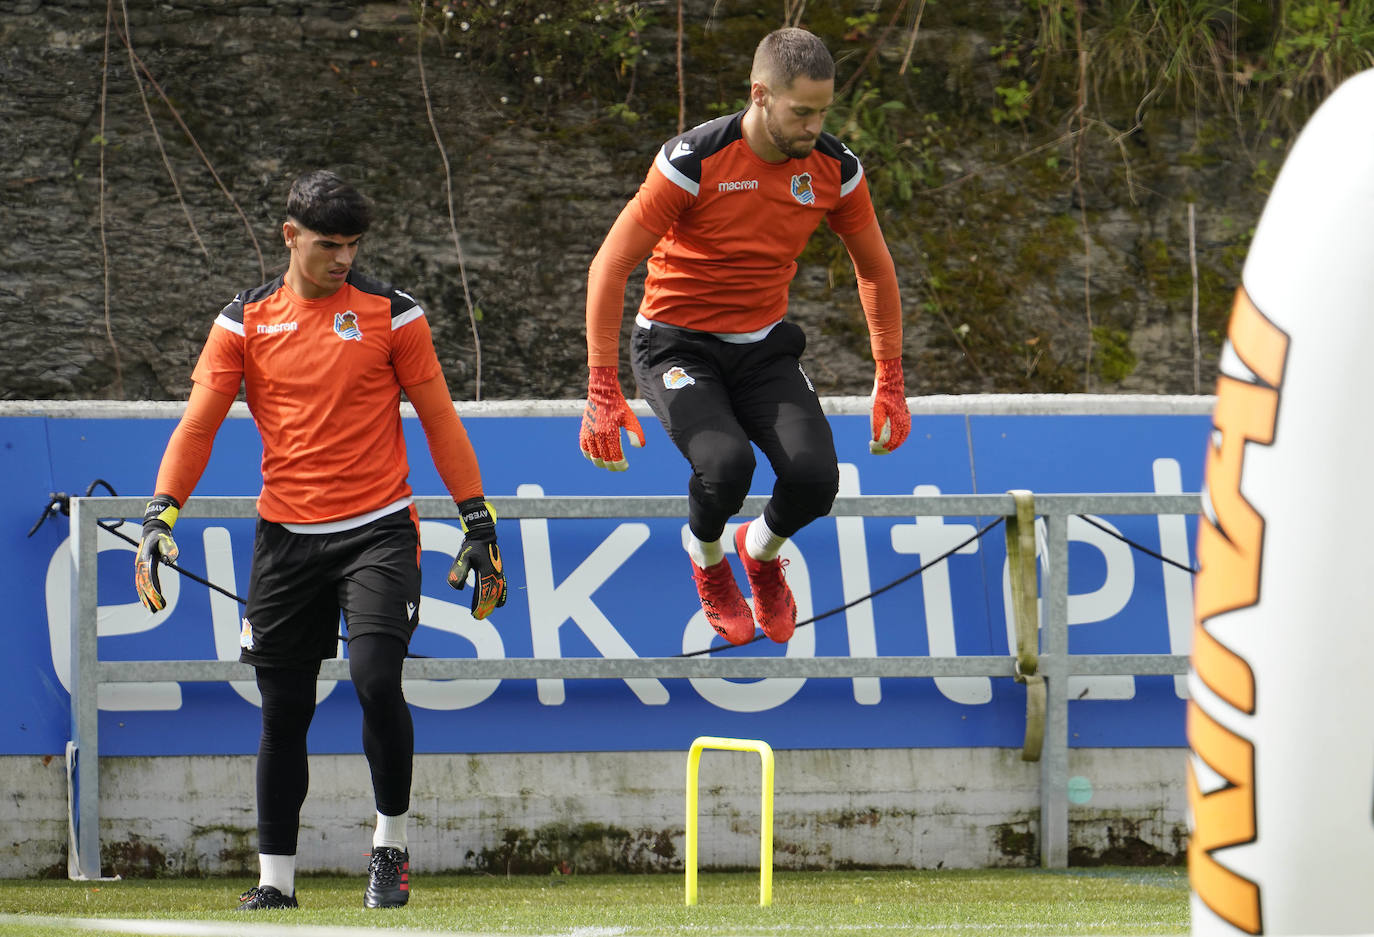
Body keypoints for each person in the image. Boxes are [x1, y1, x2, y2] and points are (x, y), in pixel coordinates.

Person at [133, 170, 507, 910]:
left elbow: (439, 421)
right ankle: (276, 882)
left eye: (353, 245)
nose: (344, 258)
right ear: (290, 235)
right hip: (285, 541)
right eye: (329, 244)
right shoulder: (242, 322)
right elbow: (198, 427)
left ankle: (390, 848)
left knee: (375, 678)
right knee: (283, 711)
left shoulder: (394, 316)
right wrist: (159, 516)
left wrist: (478, 518)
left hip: (378, 533)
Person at [578, 26, 910, 646]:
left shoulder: (835, 168)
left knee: (817, 480)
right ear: (760, 94)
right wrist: (602, 384)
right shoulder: (693, 160)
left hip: (762, 347)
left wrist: (889, 376)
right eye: (801, 112)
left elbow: (876, 268)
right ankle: (708, 562)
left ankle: (759, 553)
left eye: (823, 112)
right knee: (727, 467)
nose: (814, 126)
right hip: (675, 345)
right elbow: (610, 265)